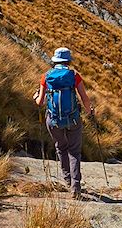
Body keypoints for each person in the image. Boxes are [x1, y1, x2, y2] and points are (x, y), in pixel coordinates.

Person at [33, 47, 95, 199]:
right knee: (74, 151)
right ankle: (76, 187)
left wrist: (35, 96)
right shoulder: (74, 76)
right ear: (68, 61)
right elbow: (84, 98)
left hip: (53, 121)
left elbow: (40, 102)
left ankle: (67, 180)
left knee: (61, 148)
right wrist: (89, 111)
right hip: (73, 119)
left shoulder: (46, 76)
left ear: (55, 61)